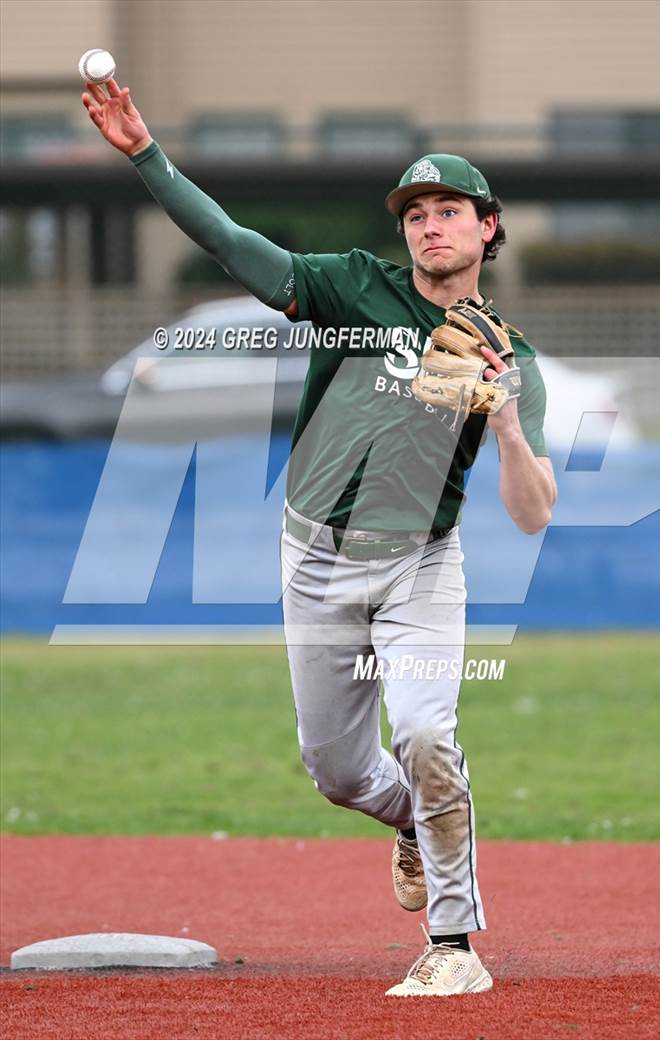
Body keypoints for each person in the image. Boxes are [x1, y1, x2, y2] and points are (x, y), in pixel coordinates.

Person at [82, 78, 557, 997]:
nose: (429, 226)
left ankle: (454, 943)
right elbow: (231, 244)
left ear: (487, 228)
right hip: (313, 559)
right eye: (415, 212)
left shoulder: (510, 357)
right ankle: (416, 822)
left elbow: (534, 512)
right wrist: (146, 153)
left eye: (449, 210)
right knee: (338, 772)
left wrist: (503, 422)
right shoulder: (351, 286)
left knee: (423, 731)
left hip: (421, 563)